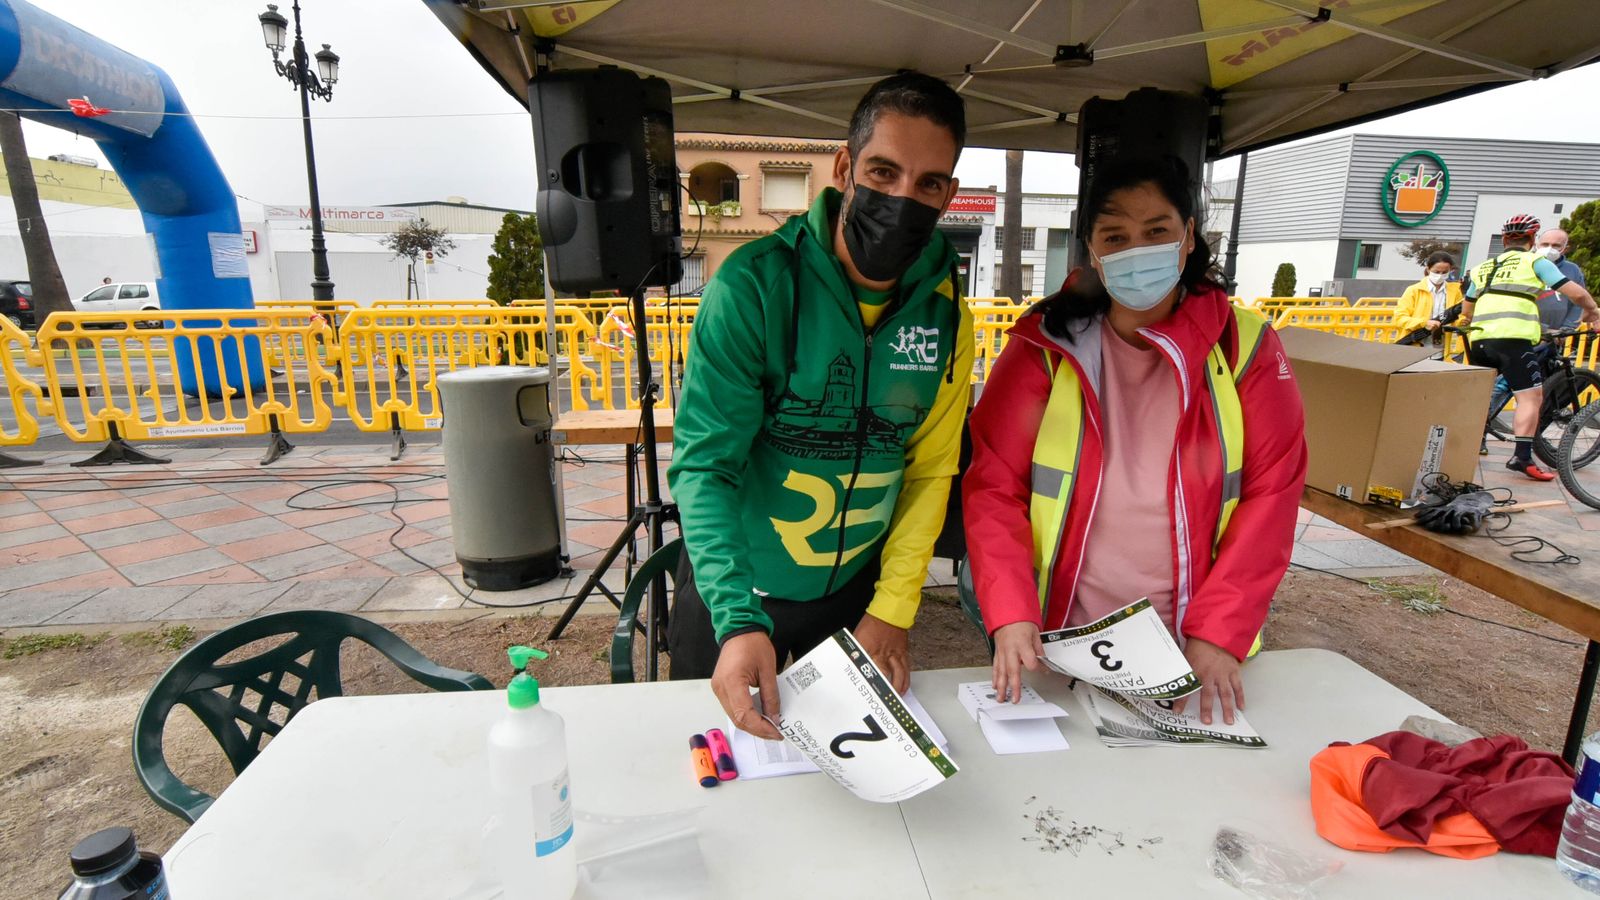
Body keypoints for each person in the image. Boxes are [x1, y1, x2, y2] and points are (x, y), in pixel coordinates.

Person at [667, 73, 974, 739]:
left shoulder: (949, 315)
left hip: (856, 603)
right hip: (737, 598)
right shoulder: (751, 288)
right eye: (883, 171)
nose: (901, 198)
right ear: (844, 167)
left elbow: (928, 472)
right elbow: (705, 468)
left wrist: (893, 608)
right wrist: (736, 617)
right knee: (728, 785)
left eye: (927, 184)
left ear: (948, 195)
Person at [963, 155, 1307, 726]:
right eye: (1115, 236)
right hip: (1058, 637)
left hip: (1193, 643)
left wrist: (1219, 633)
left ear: (1189, 235)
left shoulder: (1244, 345)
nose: (1135, 250)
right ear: (1092, 251)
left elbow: (1273, 495)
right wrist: (1010, 612)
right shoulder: (1044, 343)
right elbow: (993, 485)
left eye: (1156, 232)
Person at [1462, 214, 1600, 480]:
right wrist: (1593, 313)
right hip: (1513, 340)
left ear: (1504, 240)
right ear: (1533, 240)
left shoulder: (1484, 266)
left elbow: (1467, 309)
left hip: (1479, 339)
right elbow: (1577, 294)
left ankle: (1465, 446)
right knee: (1530, 398)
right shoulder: (1535, 261)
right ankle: (1522, 458)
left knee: (1477, 396)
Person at [1392, 251, 1463, 345]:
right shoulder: (1414, 290)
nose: (1440, 275)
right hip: (1415, 345)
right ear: (1428, 269)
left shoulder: (1455, 291)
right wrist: (1424, 323)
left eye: (1444, 272)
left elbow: (1459, 315)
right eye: (1437, 272)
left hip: (1441, 346)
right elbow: (1399, 318)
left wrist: (1463, 322)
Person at [1534, 228, 1588, 331]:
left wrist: (1567, 328)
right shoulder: (1526, 265)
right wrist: (1545, 330)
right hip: (1527, 333)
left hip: (1558, 336)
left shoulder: (1572, 270)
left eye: (1556, 246)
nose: (1549, 248)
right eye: (1545, 244)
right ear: (1537, 244)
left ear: (1565, 248)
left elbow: (1579, 302)